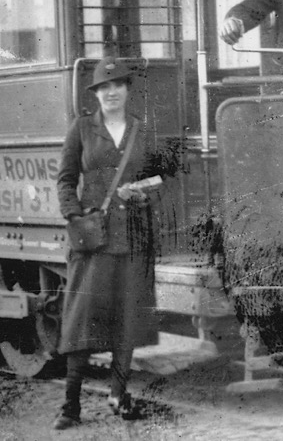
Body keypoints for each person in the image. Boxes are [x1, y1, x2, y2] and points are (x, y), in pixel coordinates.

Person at [54, 57, 183, 429]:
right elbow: (65, 179)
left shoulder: (142, 131)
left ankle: (118, 395)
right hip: (92, 239)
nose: (111, 92)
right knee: (80, 320)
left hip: (134, 238)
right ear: (95, 94)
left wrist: (144, 194)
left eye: (117, 85)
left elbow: (164, 177)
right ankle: (70, 405)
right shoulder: (81, 129)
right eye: (103, 87)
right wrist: (75, 216)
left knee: (127, 321)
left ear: (127, 90)